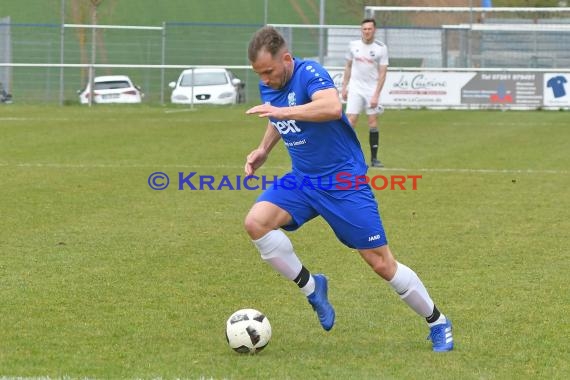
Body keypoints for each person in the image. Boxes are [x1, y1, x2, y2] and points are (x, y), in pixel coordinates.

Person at [243, 25, 453, 352]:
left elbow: (331, 108)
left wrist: (282, 110)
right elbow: (277, 119)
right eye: (259, 74)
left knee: (382, 263)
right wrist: (263, 150)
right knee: (256, 222)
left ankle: (437, 322)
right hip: (303, 179)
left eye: (269, 72)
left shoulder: (310, 72)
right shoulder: (270, 82)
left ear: (286, 58)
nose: (265, 80)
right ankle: (313, 288)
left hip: (343, 183)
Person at [341, 18, 388, 168]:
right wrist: (344, 87)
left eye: (369, 29)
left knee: (372, 122)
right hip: (355, 88)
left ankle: (374, 159)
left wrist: (376, 94)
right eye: (364, 29)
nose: (367, 31)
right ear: (361, 30)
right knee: (350, 122)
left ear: (374, 30)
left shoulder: (381, 48)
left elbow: (382, 73)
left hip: (371, 89)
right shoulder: (353, 46)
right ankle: (345, 157)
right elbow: (348, 67)